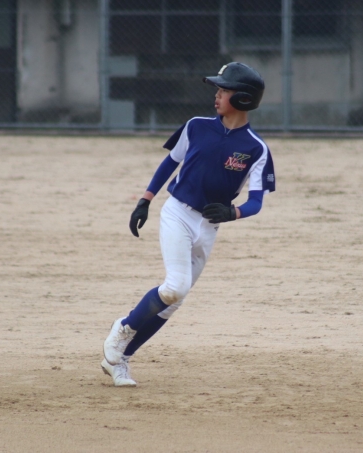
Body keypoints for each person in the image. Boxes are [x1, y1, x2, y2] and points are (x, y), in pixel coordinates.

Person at [101, 62, 276, 387]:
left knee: (173, 303)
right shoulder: (196, 126)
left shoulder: (256, 148)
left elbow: (256, 201)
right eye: (217, 90)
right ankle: (123, 328)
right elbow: (170, 162)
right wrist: (145, 200)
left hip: (208, 226)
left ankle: (120, 359)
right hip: (178, 213)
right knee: (176, 287)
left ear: (244, 98)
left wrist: (234, 213)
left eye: (224, 90)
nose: (217, 95)